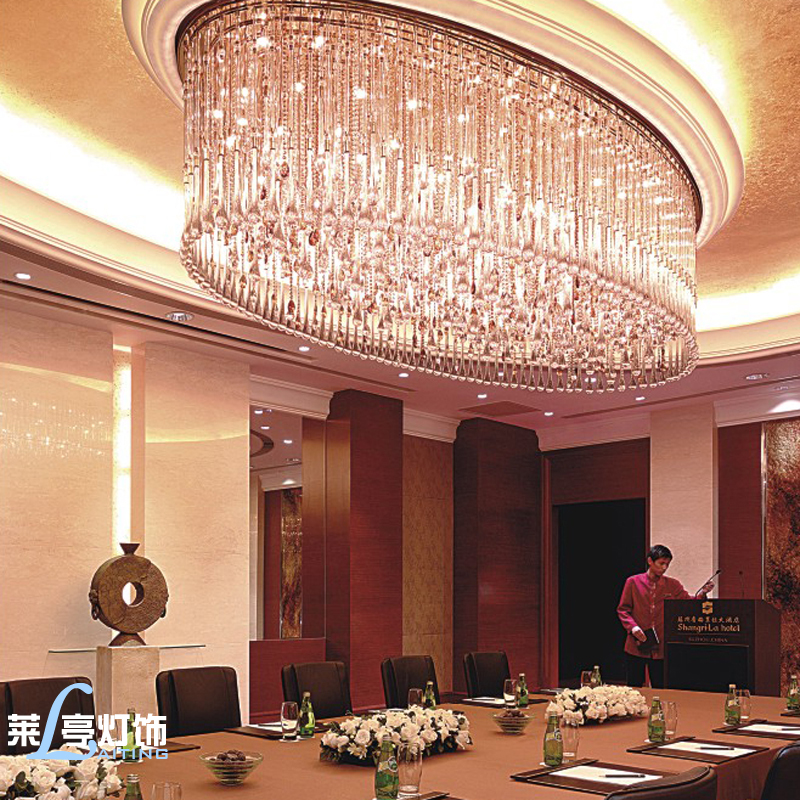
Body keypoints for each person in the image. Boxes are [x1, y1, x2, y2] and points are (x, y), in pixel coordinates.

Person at [617, 544, 714, 689]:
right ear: (650, 561)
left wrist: (702, 594)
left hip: (661, 646)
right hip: (636, 643)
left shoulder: (672, 584)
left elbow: (687, 603)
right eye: (661, 563)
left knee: (660, 687)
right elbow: (623, 610)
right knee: (634, 687)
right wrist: (633, 628)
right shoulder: (633, 582)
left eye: (667, 564)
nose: (664, 568)